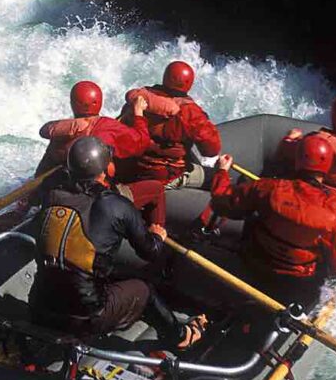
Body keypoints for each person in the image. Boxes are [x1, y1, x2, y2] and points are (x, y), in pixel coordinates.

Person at [28, 136, 207, 350]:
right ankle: (180, 336)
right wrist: (158, 235)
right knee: (144, 290)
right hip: (85, 318)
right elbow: (150, 252)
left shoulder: (51, 194)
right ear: (106, 170)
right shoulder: (116, 206)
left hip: (39, 306)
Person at [207, 134, 336, 309]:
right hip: (299, 281)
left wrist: (222, 172)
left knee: (253, 213)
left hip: (255, 262)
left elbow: (222, 202)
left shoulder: (268, 187)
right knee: (327, 252)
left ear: (298, 160)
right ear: (327, 166)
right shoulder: (335, 213)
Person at [117, 60, 222, 189]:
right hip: (163, 175)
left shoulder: (140, 97)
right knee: (215, 176)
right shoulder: (191, 112)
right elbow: (211, 151)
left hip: (132, 166)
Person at [34, 80, 152, 175]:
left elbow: (42, 170)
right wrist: (138, 112)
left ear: (72, 104)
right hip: (94, 192)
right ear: (99, 102)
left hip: (59, 189)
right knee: (153, 188)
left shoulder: (61, 131)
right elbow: (141, 142)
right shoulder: (109, 126)